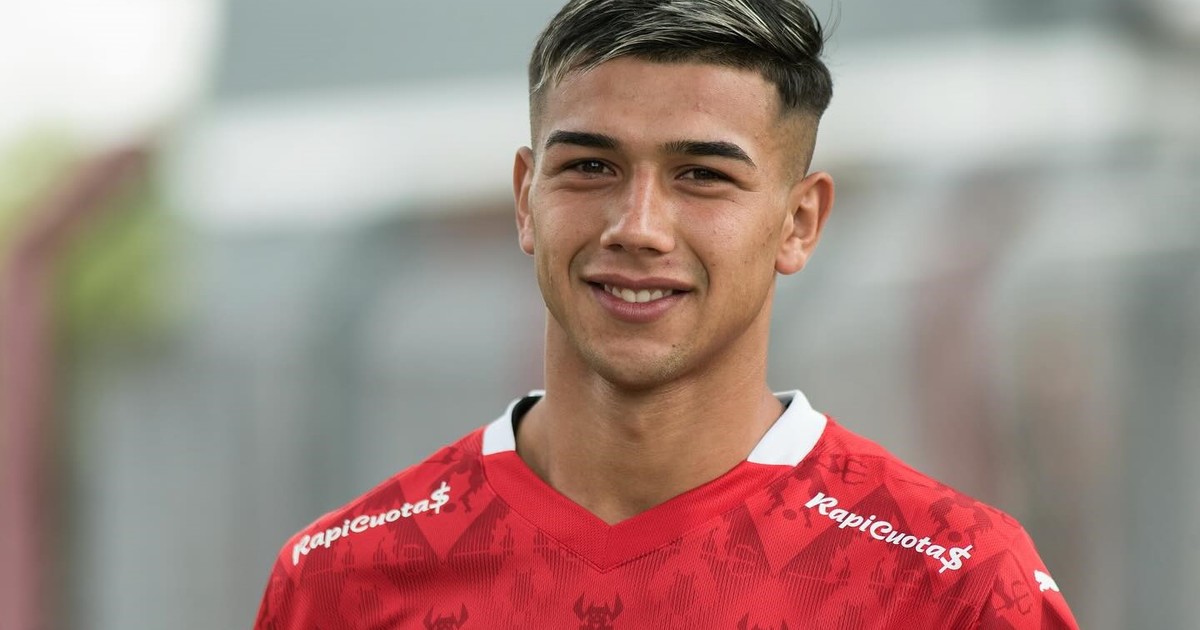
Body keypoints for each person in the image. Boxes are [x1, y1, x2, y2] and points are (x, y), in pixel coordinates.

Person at [254, 0, 1079, 627]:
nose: (637, 227)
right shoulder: (339, 581)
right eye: (590, 166)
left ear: (799, 223)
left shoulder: (954, 586)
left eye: (703, 176)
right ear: (525, 198)